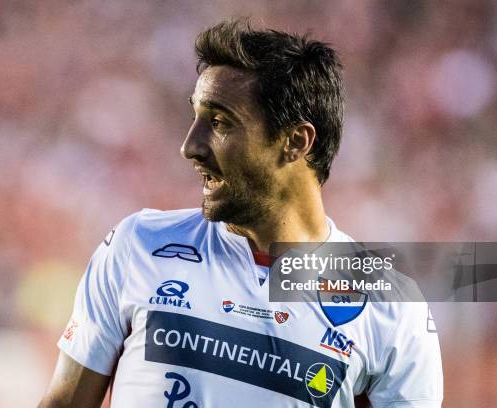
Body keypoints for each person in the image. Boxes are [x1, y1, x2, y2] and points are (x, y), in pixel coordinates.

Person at [39, 20, 443, 408]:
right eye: (195, 117)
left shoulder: (391, 303)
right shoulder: (137, 246)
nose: (190, 146)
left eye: (219, 122)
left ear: (296, 142)